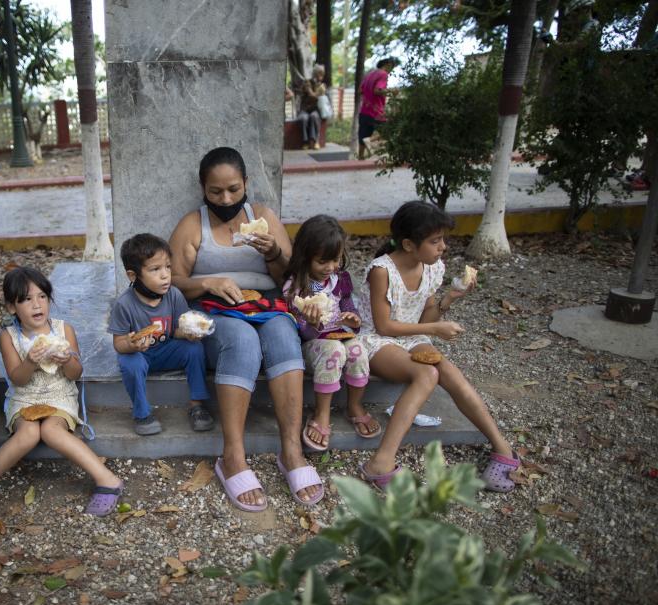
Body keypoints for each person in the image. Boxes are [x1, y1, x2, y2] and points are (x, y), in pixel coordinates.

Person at [170, 147, 323, 511]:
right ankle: (233, 456)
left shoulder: (264, 217)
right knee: (241, 342)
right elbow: (173, 281)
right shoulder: (194, 224)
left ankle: (291, 451)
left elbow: (291, 278)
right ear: (203, 188)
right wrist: (207, 283)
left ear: (246, 184)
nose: (226, 199)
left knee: (283, 336)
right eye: (216, 192)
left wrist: (272, 253)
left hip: (267, 303)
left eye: (234, 190)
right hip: (213, 310)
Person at [356, 201, 519, 491]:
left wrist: (450, 299)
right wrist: (435, 329)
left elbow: (426, 313)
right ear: (408, 244)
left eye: (443, 239)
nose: (443, 246)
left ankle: (503, 449)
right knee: (427, 374)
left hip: (413, 337)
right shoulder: (382, 271)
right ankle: (379, 462)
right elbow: (384, 326)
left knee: (451, 375)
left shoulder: (433, 268)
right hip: (378, 340)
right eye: (435, 241)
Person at [0, 266, 123, 521]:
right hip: (24, 396)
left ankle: (108, 480)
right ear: (11, 307)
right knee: (28, 432)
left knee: (51, 430)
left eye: (42, 296)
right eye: (27, 299)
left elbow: (75, 374)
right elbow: (17, 379)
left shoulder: (64, 330)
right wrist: (30, 360)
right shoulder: (8, 337)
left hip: (59, 393)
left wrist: (66, 360)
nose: (36, 304)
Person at [282, 215, 380, 446]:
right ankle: (322, 412)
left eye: (335, 260)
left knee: (357, 349)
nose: (330, 267)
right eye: (322, 262)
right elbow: (300, 332)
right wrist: (311, 323)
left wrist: (352, 317)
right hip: (312, 345)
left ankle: (354, 404)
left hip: (341, 335)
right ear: (305, 258)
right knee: (334, 350)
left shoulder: (340, 279)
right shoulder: (296, 287)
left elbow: (346, 303)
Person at [110, 233, 214, 435]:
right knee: (130, 362)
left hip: (166, 350)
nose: (165, 275)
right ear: (133, 276)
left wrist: (189, 333)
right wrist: (131, 345)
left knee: (194, 348)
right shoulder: (124, 304)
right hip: (140, 354)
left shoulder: (173, 295)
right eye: (155, 269)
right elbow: (118, 343)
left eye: (167, 266)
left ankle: (197, 405)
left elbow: (176, 330)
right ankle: (142, 414)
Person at [358, 57, 399, 159]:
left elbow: (360, 91)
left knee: (363, 136)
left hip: (364, 110)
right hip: (376, 112)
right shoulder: (383, 74)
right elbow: (377, 90)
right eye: (392, 67)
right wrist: (391, 91)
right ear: (388, 64)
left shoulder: (369, 74)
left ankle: (360, 159)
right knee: (388, 132)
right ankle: (370, 141)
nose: (391, 70)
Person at [297, 64, 327, 150]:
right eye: (319, 73)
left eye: (322, 74)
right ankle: (305, 141)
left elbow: (323, 98)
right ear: (315, 73)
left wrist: (322, 92)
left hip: (316, 110)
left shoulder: (322, 85)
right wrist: (320, 92)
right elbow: (311, 95)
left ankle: (315, 141)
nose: (321, 76)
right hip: (305, 109)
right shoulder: (307, 82)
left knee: (314, 116)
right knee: (304, 118)